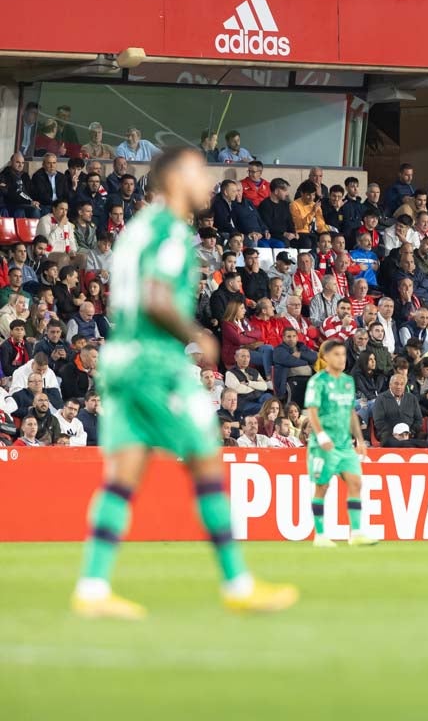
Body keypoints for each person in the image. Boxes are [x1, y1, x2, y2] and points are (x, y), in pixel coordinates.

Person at [72, 146, 296, 620]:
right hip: (156, 364)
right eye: (199, 171)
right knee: (206, 462)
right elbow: (155, 296)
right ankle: (237, 581)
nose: (209, 181)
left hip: (121, 360)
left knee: (122, 478)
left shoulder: (137, 229)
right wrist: (196, 334)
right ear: (174, 179)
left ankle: (92, 586)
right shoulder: (171, 230)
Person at [305, 339, 377, 548]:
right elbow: (312, 410)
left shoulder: (347, 381)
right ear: (326, 357)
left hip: (344, 444)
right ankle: (320, 535)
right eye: (336, 354)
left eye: (343, 354)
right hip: (323, 444)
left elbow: (350, 412)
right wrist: (321, 435)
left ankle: (355, 533)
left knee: (356, 482)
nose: (341, 358)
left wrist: (360, 440)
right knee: (322, 486)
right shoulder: (317, 381)